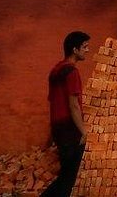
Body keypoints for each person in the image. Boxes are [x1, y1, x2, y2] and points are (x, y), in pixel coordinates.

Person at [41, 30, 90, 197]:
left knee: (65, 175)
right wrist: (84, 131)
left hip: (58, 128)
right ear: (75, 50)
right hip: (70, 129)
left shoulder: (56, 70)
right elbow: (73, 105)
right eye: (84, 47)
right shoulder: (71, 72)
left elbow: (53, 101)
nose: (87, 50)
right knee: (68, 179)